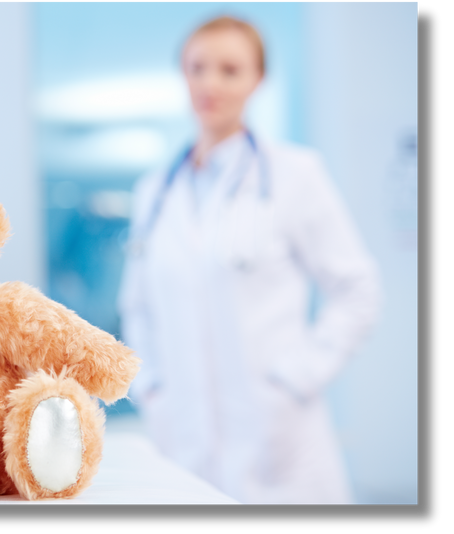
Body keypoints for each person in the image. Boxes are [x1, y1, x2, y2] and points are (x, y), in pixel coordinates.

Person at [118, 16, 380, 504]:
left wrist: (298, 377)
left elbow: (356, 288)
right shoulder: (155, 192)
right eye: (198, 67)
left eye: (230, 69)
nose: (210, 83)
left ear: (258, 80)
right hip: (184, 438)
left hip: (279, 438)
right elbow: (137, 306)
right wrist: (151, 388)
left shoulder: (293, 175)